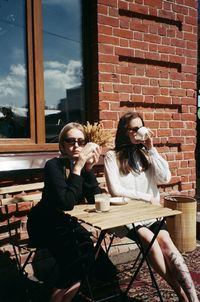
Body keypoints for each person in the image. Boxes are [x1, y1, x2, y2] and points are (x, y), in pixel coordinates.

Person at [104, 111, 199, 302]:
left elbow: (165, 178)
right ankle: (180, 293)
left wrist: (152, 149)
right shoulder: (111, 156)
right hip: (128, 215)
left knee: (168, 246)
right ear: (124, 132)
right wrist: (147, 197)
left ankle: (193, 298)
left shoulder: (145, 153)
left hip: (150, 214)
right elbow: (115, 190)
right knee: (152, 243)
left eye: (141, 127)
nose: (139, 132)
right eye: (134, 129)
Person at [27, 122, 115, 302]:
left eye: (81, 142)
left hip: (67, 223)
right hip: (44, 223)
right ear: (62, 144)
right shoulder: (53, 166)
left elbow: (94, 199)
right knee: (75, 261)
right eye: (70, 141)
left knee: (91, 253)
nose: (76, 146)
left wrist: (88, 169)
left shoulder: (82, 167)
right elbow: (66, 203)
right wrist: (78, 167)